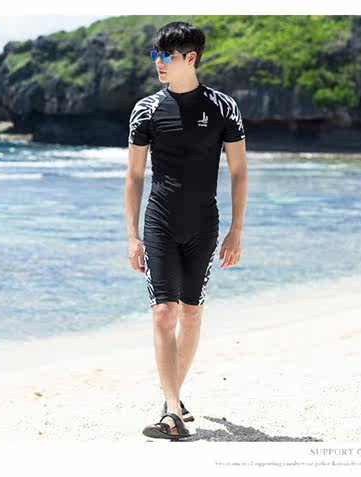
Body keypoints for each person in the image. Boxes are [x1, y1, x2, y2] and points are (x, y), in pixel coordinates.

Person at [124, 21, 248, 440]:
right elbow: (134, 176)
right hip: (159, 222)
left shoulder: (222, 108)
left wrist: (236, 231)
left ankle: (171, 399)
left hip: (203, 224)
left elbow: (238, 172)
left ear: (190, 58)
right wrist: (132, 235)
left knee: (191, 313)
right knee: (164, 313)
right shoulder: (146, 110)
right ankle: (173, 412)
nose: (158, 63)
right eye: (156, 55)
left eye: (167, 56)